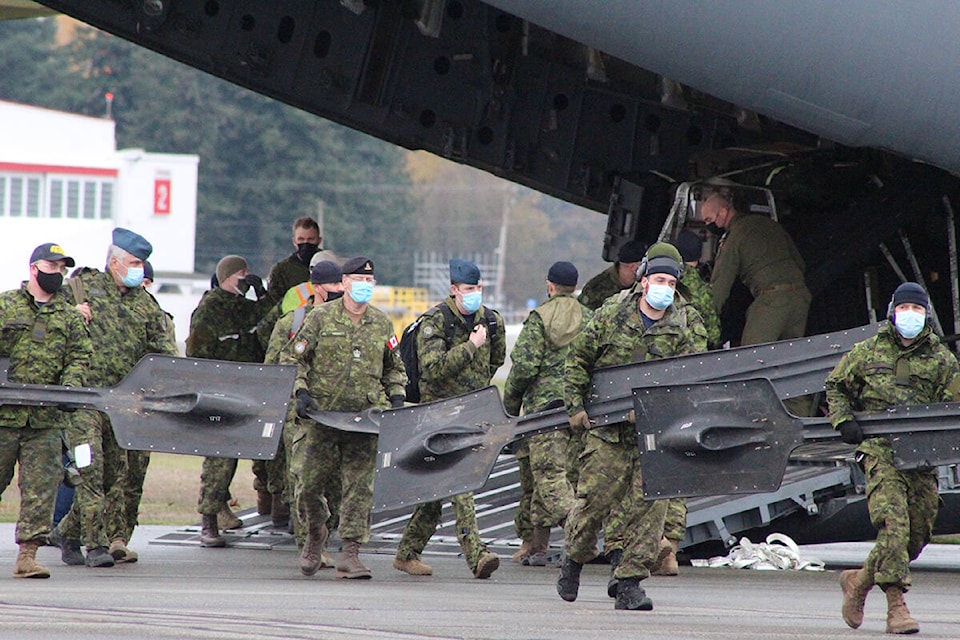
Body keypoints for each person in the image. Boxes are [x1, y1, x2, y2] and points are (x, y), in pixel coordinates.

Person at [558, 245, 707, 611]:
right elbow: (578, 360)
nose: (664, 288)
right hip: (608, 434)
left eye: (671, 282)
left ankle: (628, 582)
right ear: (643, 281)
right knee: (593, 503)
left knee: (650, 510)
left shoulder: (686, 327)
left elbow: (692, 382)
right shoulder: (612, 314)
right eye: (659, 280)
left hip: (653, 434)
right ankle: (573, 560)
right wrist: (575, 409)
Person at [826, 282, 960, 635]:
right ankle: (896, 607)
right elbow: (836, 385)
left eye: (917, 310)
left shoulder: (942, 360)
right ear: (893, 311)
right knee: (894, 526)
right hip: (880, 451)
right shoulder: (867, 352)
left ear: (926, 315)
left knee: (916, 535)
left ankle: (859, 580)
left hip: (921, 457)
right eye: (905, 309)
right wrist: (843, 420)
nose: (910, 316)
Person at [50, 228, 178, 568]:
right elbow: (44, 321)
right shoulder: (82, 291)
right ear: (115, 262)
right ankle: (95, 545)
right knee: (90, 469)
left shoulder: (146, 306)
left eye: (142, 263)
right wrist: (71, 315)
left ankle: (66, 530)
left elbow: (163, 354)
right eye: (134, 262)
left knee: (111, 477)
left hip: (123, 406)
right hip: (84, 400)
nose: (139, 269)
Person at [281, 256, 406, 579]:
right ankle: (315, 532)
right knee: (308, 483)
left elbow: (394, 367)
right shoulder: (321, 318)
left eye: (370, 282)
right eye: (358, 281)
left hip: (364, 418)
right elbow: (294, 359)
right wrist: (301, 392)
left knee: (359, 487)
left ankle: (350, 552)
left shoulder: (381, 323)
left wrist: (396, 396)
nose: (365, 287)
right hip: (321, 417)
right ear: (345, 283)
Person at [393, 258, 506, 579]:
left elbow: (495, 361)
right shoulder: (435, 322)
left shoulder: (492, 320)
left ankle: (406, 553)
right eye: (469, 289)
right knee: (460, 481)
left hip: (472, 415)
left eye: (479, 288)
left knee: (436, 491)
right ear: (454, 290)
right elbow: (433, 368)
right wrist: (471, 347)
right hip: (439, 418)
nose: (475, 294)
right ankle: (477, 553)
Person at [0, 243, 92, 578]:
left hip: (46, 419)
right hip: (4, 417)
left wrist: (69, 387)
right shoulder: (5, 305)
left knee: (41, 488)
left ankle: (27, 555)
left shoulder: (69, 316)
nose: (58, 275)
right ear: (33, 269)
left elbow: (80, 357)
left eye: (62, 270)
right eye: (51, 268)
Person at [502, 261, 591, 566]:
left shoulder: (539, 318)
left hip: (544, 412)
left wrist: (510, 408)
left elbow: (523, 368)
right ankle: (536, 545)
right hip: (578, 410)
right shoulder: (590, 318)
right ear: (575, 288)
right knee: (566, 478)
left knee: (548, 478)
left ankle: (580, 534)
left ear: (550, 286)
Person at [186, 254, 272, 547]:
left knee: (258, 452)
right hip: (219, 393)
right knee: (220, 458)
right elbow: (196, 353)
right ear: (227, 277)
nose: (246, 278)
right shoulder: (210, 310)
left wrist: (263, 294)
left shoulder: (245, 308)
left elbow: (270, 322)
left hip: (249, 391)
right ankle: (209, 520)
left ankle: (271, 504)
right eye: (242, 274)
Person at [262, 260, 344, 564]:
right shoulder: (291, 323)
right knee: (301, 481)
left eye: (341, 285)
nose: (339, 291)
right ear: (318, 288)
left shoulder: (345, 322)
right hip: (298, 418)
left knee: (334, 483)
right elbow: (274, 368)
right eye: (334, 286)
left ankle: (324, 534)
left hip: (334, 417)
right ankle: (309, 543)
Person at [699, 183, 811, 345]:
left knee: (751, 358)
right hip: (800, 298)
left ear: (723, 211)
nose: (709, 226)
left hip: (772, 301)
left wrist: (704, 321)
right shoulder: (767, 224)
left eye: (709, 219)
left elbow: (720, 285)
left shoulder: (734, 237)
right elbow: (799, 262)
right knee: (789, 359)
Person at [265, 216, 323, 305]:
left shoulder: (329, 264)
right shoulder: (281, 270)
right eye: (301, 239)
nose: (305, 243)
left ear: (319, 240)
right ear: (294, 241)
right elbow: (273, 303)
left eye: (310, 239)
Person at [577, 240, 647, 311]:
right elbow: (581, 314)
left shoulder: (647, 284)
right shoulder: (595, 288)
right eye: (643, 265)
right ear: (633, 267)